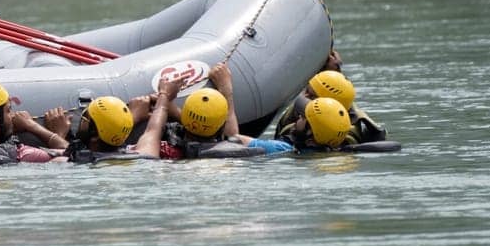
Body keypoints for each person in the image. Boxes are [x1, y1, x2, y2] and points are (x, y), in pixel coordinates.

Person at [143, 62, 291, 160]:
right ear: (222, 125)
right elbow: (232, 135)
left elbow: (152, 133)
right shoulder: (234, 151)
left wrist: (164, 100)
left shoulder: (167, 150)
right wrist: (226, 90)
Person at [272, 67, 389, 145]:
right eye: (306, 90)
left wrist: (298, 133)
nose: (304, 95)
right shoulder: (341, 112)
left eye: (311, 95)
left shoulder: (338, 135)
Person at [52, 95, 144, 163]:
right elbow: (151, 131)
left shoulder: (62, 162)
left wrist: (60, 135)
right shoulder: (139, 155)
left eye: (84, 119)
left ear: (95, 135)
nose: (81, 121)